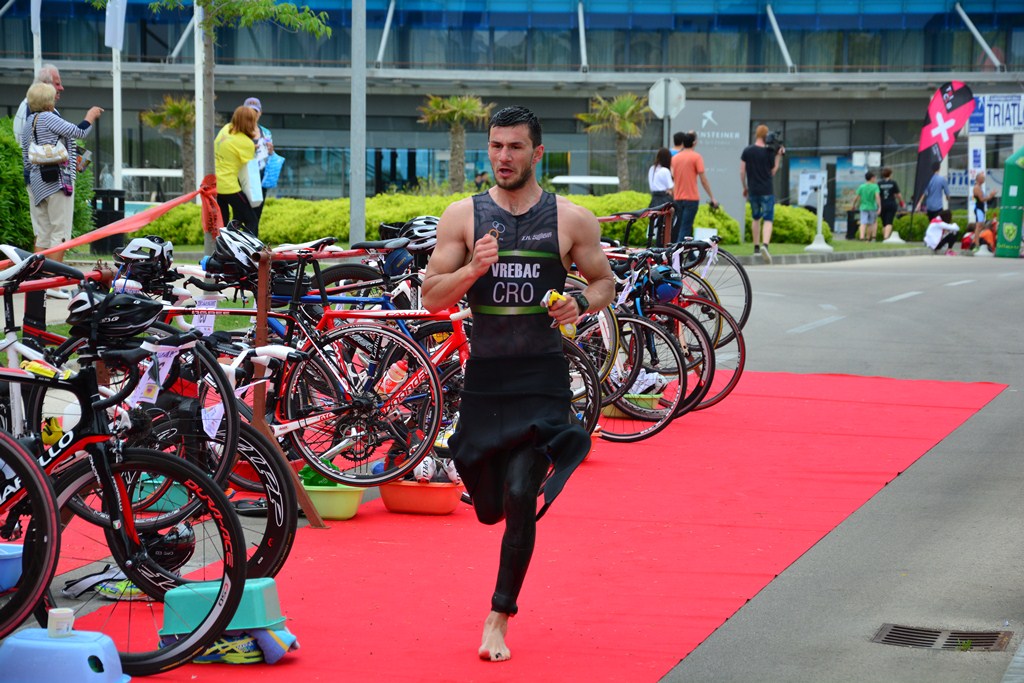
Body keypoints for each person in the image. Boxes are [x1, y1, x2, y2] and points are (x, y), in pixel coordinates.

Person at [421, 105, 615, 663]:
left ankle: (498, 616)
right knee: (488, 504)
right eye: (496, 146)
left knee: (522, 493)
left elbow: (603, 283)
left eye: (514, 147)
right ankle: (499, 497)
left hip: (542, 380)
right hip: (485, 382)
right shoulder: (464, 215)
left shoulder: (571, 220)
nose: (503, 157)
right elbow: (433, 297)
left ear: (537, 153)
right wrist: (472, 271)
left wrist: (578, 301)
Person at [20, 83, 103, 281]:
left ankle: (38, 281)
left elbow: (27, 158)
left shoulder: (28, 122)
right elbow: (79, 132)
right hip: (56, 182)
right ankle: (52, 281)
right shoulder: (49, 117)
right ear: (47, 102)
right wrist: (90, 116)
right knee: (60, 232)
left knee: (42, 233)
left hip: (35, 183)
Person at [214, 105, 260, 236]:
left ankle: (223, 252)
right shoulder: (246, 143)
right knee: (251, 220)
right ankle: (251, 252)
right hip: (230, 187)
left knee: (224, 225)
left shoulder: (225, 129)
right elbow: (249, 166)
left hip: (215, 185)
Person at [740, 124, 784, 264]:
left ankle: (756, 247)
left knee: (756, 218)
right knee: (768, 218)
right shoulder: (769, 152)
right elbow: (773, 171)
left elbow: (742, 172)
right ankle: (765, 245)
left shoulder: (747, 151)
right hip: (767, 190)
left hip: (753, 189)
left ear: (756, 135)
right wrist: (778, 156)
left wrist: (745, 187)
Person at [670, 131, 717, 242]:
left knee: (684, 226)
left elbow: (672, 177)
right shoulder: (696, 157)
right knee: (685, 228)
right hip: (691, 198)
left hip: (678, 197)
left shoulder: (675, 158)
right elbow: (703, 180)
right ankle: (678, 256)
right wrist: (712, 197)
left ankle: (690, 255)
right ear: (694, 143)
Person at [13, 64, 63, 150]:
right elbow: (75, 132)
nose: (61, 88)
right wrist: (89, 118)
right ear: (44, 85)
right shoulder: (36, 110)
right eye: (57, 84)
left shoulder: (29, 105)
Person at [243, 97, 274, 221]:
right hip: (243, 174)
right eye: (249, 111)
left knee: (256, 214)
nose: (252, 115)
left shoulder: (266, 132)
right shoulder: (238, 131)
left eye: (255, 111)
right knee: (242, 212)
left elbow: (270, 155)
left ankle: (253, 238)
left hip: (260, 175)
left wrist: (271, 151)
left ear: (260, 113)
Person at [647, 147, 673, 245]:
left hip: (654, 199)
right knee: (666, 224)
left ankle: (655, 244)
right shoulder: (665, 171)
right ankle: (664, 244)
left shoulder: (652, 169)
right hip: (664, 198)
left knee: (657, 224)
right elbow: (671, 187)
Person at [877, 167, 905, 240]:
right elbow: (898, 194)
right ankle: (886, 237)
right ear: (890, 174)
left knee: (884, 223)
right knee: (889, 222)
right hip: (891, 204)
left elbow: (877, 195)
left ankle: (884, 237)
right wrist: (901, 202)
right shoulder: (893, 183)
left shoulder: (879, 183)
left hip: (882, 204)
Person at [852, 171, 880, 242]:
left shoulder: (862, 186)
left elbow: (856, 197)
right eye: (874, 178)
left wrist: (853, 205)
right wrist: (879, 206)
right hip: (872, 207)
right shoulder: (875, 186)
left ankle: (861, 237)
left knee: (863, 222)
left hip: (863, 207)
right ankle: (868, 238)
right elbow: (877, 196)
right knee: (870, 223)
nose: (875, 179)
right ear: (872, 178)